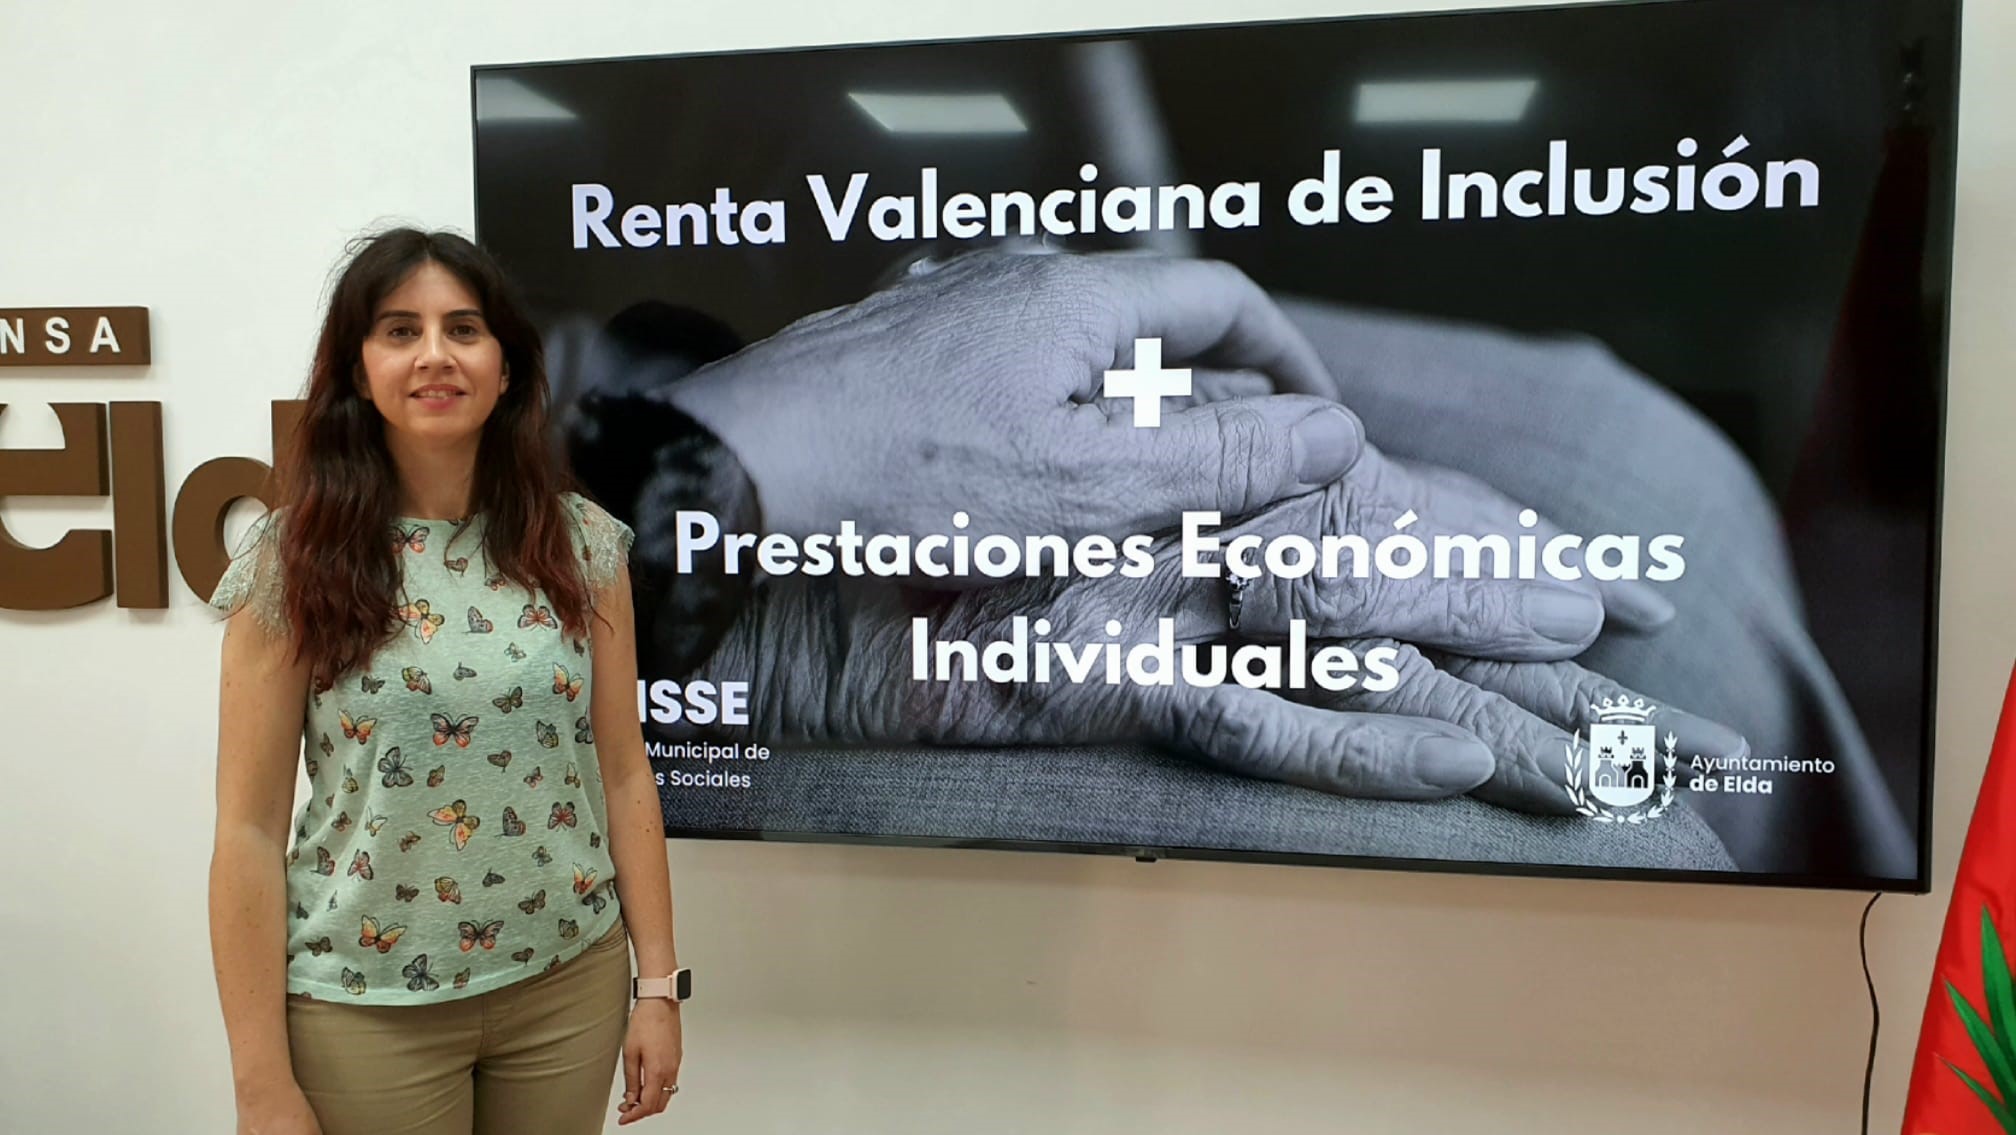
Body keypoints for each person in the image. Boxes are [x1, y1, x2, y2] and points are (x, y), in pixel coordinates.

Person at [206, 227, 685, 1135]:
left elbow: (624, 768)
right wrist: (259, 1081)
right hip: (366, 1006)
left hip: (567, 985)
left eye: (463, 329)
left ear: (505, 368)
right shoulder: (290, 562)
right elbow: (247, 831)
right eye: (400, 330)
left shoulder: (582, 544)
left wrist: (657, 985)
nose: (435, 355)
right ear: (359, 371)